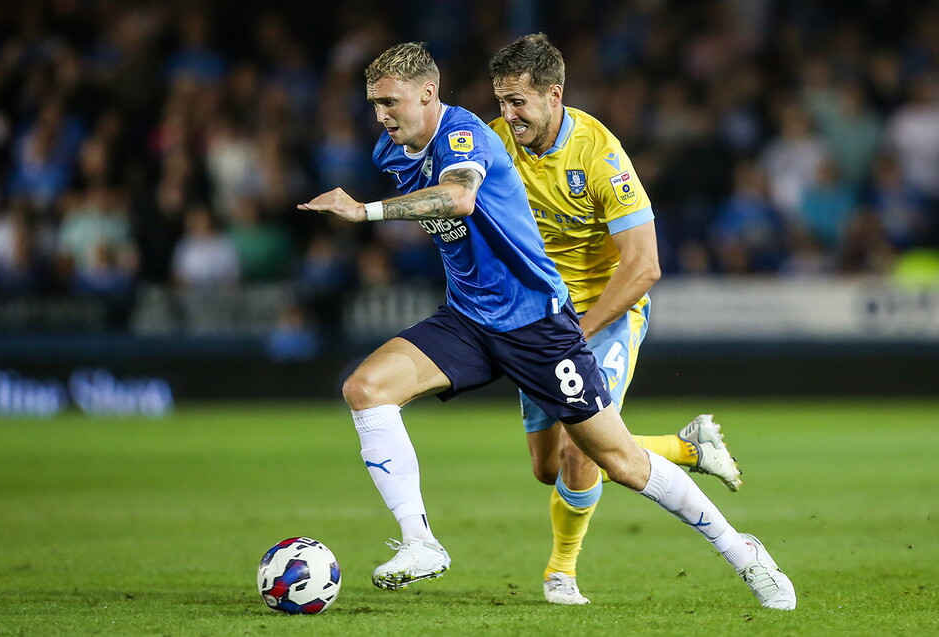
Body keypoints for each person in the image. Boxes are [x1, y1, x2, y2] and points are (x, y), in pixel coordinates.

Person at [297, 41, 795, 610]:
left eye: (390, 102)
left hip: (542, 322)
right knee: (368, 389)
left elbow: (460, 198)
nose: (381, 115)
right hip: (469, 318)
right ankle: (421, 542)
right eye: (375, 104)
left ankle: (742, 551)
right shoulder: (397, 150)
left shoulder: (486, 139)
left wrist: (365, 211)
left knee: (612, 462)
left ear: (428, 94)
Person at [487, 33, 745, 605]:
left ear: (554, 94)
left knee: (581, 451)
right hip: (538, 318)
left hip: (603, 315)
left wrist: (575, 335)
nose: (508, 114)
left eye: (518, 102)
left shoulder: (600, 156)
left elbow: (645, 266)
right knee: (548, 467)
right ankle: (686, 448)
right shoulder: (495, 141)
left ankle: (561, 572)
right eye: (501, 101)